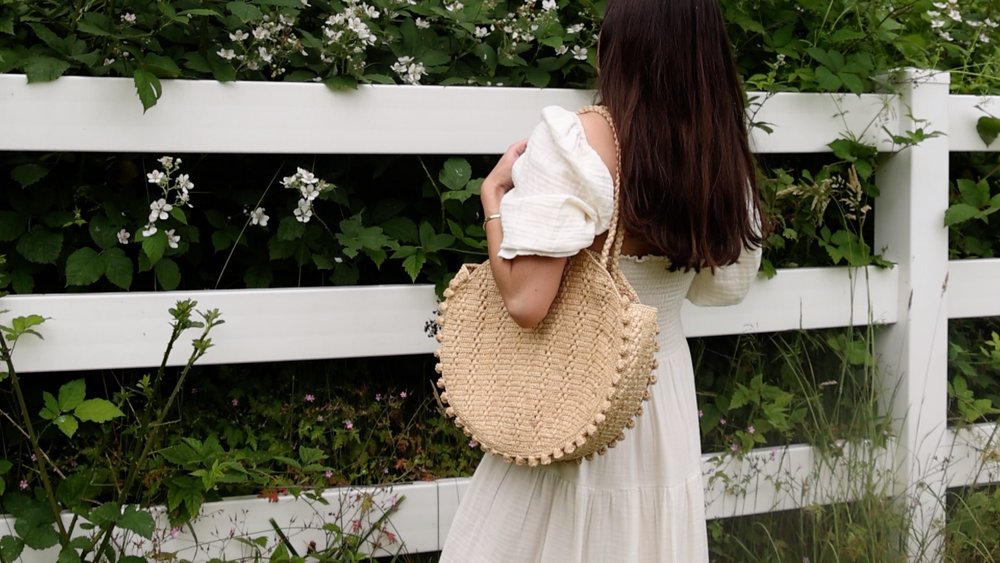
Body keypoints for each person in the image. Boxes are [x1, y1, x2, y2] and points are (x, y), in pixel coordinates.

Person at [439, 0, 763, 560]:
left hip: (576, 383)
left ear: (619, 46)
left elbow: (526, 301)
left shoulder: (580, 139)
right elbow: (722, 290)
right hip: (660, 395)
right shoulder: (718, 149)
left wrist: (492, 200)